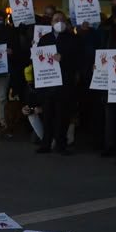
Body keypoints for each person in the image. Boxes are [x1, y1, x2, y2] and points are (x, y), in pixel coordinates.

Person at [36, 11, 82, 155]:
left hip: (65, 84)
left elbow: (78, 60)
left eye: (62, 19)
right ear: (51, 23)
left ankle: (61, 145)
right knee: (48, 115)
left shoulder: (73, 39)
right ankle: (46, 144)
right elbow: (38, 60)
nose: (59, 22)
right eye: (56, 20)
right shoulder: (45, 39)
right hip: (48, 84)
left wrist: (64, 59)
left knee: (63, 116)